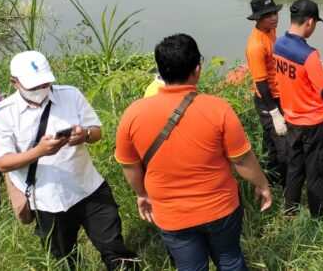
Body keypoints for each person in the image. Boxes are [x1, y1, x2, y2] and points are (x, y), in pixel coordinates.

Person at [116, 34, 272, 271]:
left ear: (160, 71)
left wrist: (142, 194)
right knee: (230, 259)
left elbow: (130, 166)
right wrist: (262, 185)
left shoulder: (133, 114)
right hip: (220, 207)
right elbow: (241, 159)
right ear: (197, 69)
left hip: (172, 214)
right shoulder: (218, 109)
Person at [0, 51, 138, 270]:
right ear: (14, 82)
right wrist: (39, 151)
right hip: (46, 201)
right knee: (63, 258)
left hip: (88, 188)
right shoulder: (2, 114)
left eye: (45, 83)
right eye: (34, 86)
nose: (41, 90)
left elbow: (97, 132)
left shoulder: (70, 95)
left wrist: (84, 134)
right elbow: (2, 163)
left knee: (114, 247)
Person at [273, 0, 323, 217]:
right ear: (309, 22)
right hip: (314, 122)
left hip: (291, 119)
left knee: (295, 168)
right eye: (315, 23)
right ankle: (318, 218)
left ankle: (290, 211)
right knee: (317, 173)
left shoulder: (277, 45)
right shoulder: (309, 55)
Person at [245, 0, 288, 187]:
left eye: (274, 13)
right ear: (257, 18)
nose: (274, 17)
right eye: (268, 15)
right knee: (283, 148)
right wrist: (275, 113)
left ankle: (271, 181)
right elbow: (261, 83)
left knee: (271, 145)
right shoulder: (256, 45)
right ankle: (285, 188)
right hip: (267, 99)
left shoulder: (270, 31)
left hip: (279, 95)